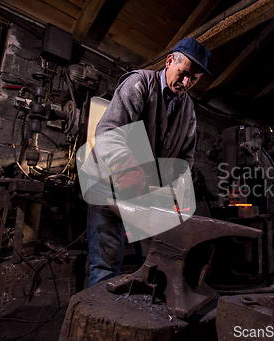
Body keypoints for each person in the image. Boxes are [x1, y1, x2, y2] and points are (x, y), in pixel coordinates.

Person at [85, 37, 211, 287]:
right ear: (169, 62)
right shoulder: (139, 84)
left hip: (146, 191)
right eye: (183, 73)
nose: (186, 83)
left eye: (193, 79)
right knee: (105, 265)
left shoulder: (188, 110)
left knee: (154, 262)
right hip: (107, 184)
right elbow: (109, 132)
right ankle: (98, 318)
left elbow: (184, 158)